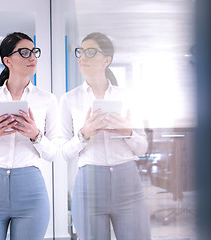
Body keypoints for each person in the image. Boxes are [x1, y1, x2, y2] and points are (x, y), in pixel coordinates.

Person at [0, 32, 59, 240]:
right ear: (7, 60)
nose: (33, 57)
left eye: (34, 52)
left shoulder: (47, 100)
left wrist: (35, 135)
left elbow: (53, 154)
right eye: (25, 52)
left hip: (31, 192)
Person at [60, 32, 151, 240]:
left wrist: (127, 132)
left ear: (107, 60)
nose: (82, 57)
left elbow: (142, 147)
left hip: (128, 183)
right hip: (89, 186)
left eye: (90, 52)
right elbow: (64, 152)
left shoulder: (127, 96)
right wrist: (84, 134)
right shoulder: (69, 100)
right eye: (80, 52)